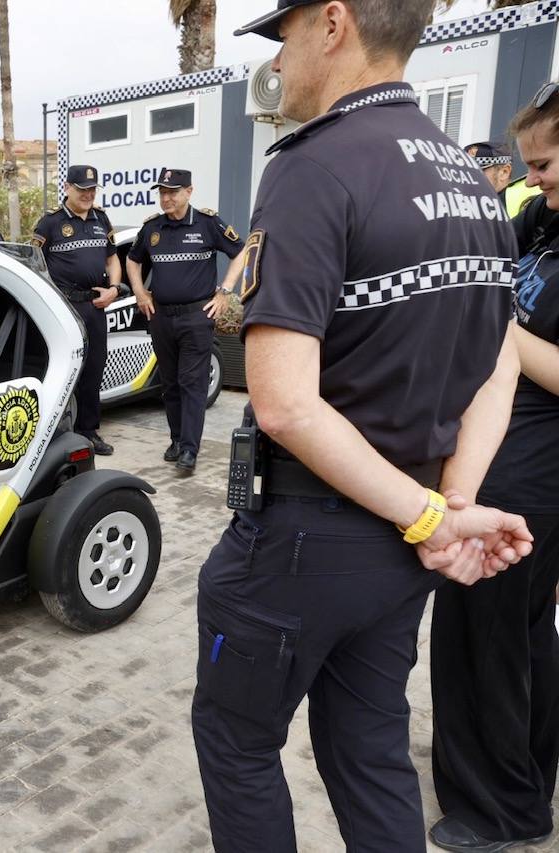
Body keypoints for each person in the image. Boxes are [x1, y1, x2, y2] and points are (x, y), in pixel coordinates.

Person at [192, 3, 534, 852]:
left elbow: (284, 404)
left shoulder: (313, 166)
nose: (280, 60)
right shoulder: (471, 178)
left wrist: (431, 517)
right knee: (370, 750)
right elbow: (499, 361)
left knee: (237, 743)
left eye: (287, 35)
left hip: (309, 537)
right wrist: (446, 503)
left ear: (334, 23)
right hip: (402, 539)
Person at [428, 86, 559, 853]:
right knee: (520, 638)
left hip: (534, 477)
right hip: (511, 458)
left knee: (487, 638)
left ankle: (501, 810)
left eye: (543, 164)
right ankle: (523, 775)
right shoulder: (543, 221)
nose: (531, 177)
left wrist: (502, 330)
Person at [127, 168, 246, 473]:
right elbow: (132, 259)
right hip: (161, 318)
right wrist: (140, 292)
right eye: (162, 192)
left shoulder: (207, 224)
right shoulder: (153, 227)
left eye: (173, 192)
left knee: (192, 383)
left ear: (189, 192)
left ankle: (190, 450)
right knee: (170, 384)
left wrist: (224, 292)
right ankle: (177, 439)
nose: (166, 198)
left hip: (197, 317)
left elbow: (240, 251)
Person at [32, 164, 124, 456]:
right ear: (68, 188)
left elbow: (112, 259)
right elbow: (34, 264)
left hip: (95, 307)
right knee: (62, 368)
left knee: (93, 370)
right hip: (63, 308)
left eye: (92, 189)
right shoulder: (50, 223)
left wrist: (114, 288)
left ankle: (88, 431)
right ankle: (55, 434)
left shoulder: (102, 218)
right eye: (82, 189)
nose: (87, 194)